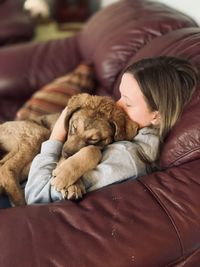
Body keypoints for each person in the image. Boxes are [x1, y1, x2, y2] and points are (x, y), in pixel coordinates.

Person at [1, 56, 197, 207]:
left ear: (157, 116)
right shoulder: (127, 130)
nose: (117, 105)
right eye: (119, 95)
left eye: (127, 102)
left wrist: (57, 136)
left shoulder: (128, 157)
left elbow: (37, 197)